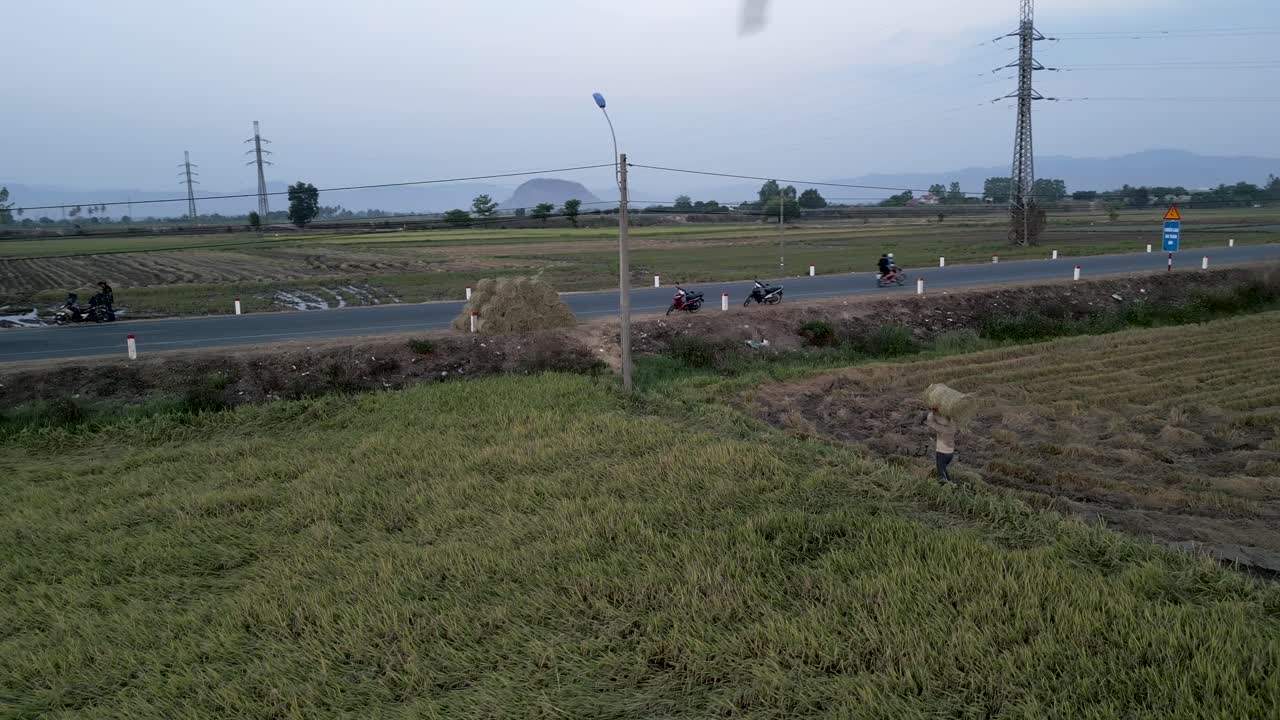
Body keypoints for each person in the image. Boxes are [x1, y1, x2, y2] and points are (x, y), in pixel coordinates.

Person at [926, 409, 958, 485]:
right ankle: (951, 483)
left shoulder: (942, 429)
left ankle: (946, 487)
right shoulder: (953, 426)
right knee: (943, 469)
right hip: (950, 453)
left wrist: (933, 411)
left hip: (942, 453)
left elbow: (931, 422)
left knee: (941, 474)